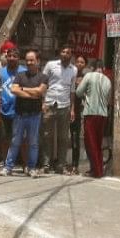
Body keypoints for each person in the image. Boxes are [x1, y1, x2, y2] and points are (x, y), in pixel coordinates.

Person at [0, 50, 48, 177]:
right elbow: (14, 90)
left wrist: (24, 89)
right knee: (15, 141)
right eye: (27, 60)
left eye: (32, 60)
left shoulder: (43, 77)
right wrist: (32, 93)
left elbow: (40, 92)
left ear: (38, 61)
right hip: (20, 114)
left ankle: (31, 167)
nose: (29, 63)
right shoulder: (20, 75)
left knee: (33, 142)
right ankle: (8, 167)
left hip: (35, 115)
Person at [41, 45, 78, 174]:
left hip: (65, 105)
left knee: (63, 137)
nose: (65, 54)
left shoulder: (74, 69)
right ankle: (46, 164)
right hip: (49, 103)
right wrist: (43, 102)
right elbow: (43, 83)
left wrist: (73, 109)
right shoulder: (50, 65)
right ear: (59, 53)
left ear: (71, 55)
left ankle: (60, 165)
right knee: (46, 136)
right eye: (63, 51)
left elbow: (72, 90)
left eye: (68, 52)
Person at [76, 59, 112, 178]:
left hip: (91, 113)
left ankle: (96, 171)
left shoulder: (89, 76)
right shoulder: (107, 80)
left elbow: (78, 92)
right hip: (103, 115)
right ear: (103, 68)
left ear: (92, 67)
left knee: (90, 143)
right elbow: (107, 98)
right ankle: (97, 169)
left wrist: (84, 90)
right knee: (98, 142)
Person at [0, 48, 24, 166]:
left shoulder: (23, 72)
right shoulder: (0, 72)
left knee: (19, 138)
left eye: (14, 56)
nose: (11, 58)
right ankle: (5, 161)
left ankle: (23, 163)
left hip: (19, 110)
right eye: (9, 56)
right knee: (4, 138)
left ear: (18, 58)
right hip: (3, 110)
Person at [69, 55, 89, 173]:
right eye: (77, 61)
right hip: (66, 108)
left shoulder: (86, 77)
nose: (79, 64)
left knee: (75, 138)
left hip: (78, 110)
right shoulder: (70, 75)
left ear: (85, 65)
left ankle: (75, 165)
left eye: (82, 62)